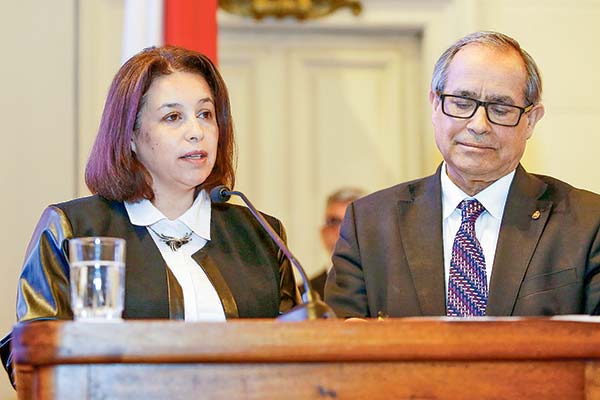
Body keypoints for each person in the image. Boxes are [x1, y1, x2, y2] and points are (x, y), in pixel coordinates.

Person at [0, 46, 299, 385]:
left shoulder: (259, 234)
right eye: (173, 117)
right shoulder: (74, 230)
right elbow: (31, 356)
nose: (196, 131)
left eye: (205, 114)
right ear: (130, 136)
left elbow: (300, 356)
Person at [325, 31, 600, 318]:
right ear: (435, 105)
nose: (479, 125)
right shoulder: (368, 223)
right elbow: (338, 350)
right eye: (462, 102)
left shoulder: (588, 223)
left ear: (530, 120)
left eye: (501, 108)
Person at [300, 188, 365, 298]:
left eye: (351, 221)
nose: (341, 230)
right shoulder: (303, 294)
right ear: (323, 231)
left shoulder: (385, 289)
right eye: (334, 221)